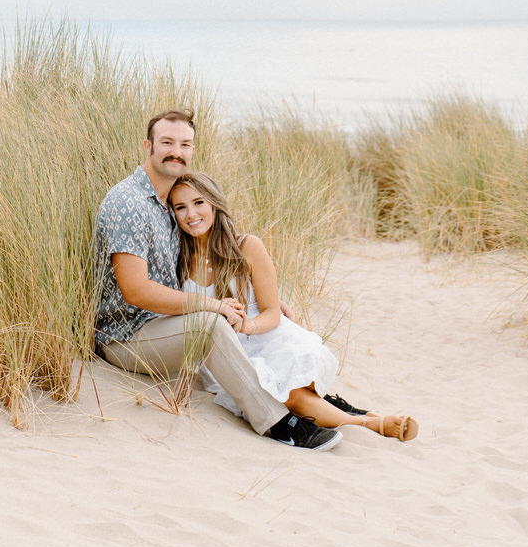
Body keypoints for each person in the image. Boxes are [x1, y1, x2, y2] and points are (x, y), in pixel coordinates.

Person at [92, 109, 341, 451]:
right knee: (211, 325)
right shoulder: (129, 203)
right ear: (148, 147)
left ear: (193, 150)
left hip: (167, 326)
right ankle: (277, 422)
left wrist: (257, 294)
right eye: (167, 142)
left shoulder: (168, 204)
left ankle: (306, 398)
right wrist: (212, 305)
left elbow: (207, 254)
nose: (176, 151)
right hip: (127, 337)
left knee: (223, 325)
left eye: (185, 144)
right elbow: (135, 291)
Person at [168, 170, 418, 441]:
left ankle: (361, 420)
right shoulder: (177, 259)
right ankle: (363, 420)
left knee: (293, 392)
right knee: (290, 396)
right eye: (181, 207)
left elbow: (272, 313)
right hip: (229, 352)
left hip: (268, 335)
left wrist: (246, 324)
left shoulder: (247, 246)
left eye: (199, 202)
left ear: (214, 203)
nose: (191, 214)